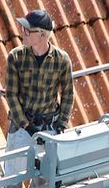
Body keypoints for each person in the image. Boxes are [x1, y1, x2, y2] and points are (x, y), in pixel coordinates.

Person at [4, 9, 73, 139]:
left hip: (50, 126)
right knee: (17, 159)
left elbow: (68, 94)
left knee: (49, 160)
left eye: (27, 30)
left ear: (42, 34)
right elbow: (11, 94)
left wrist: (61, 125)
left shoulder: (62, 60)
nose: (22, 33)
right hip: (20, 127)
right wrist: (26, 125)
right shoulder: (15, 57)